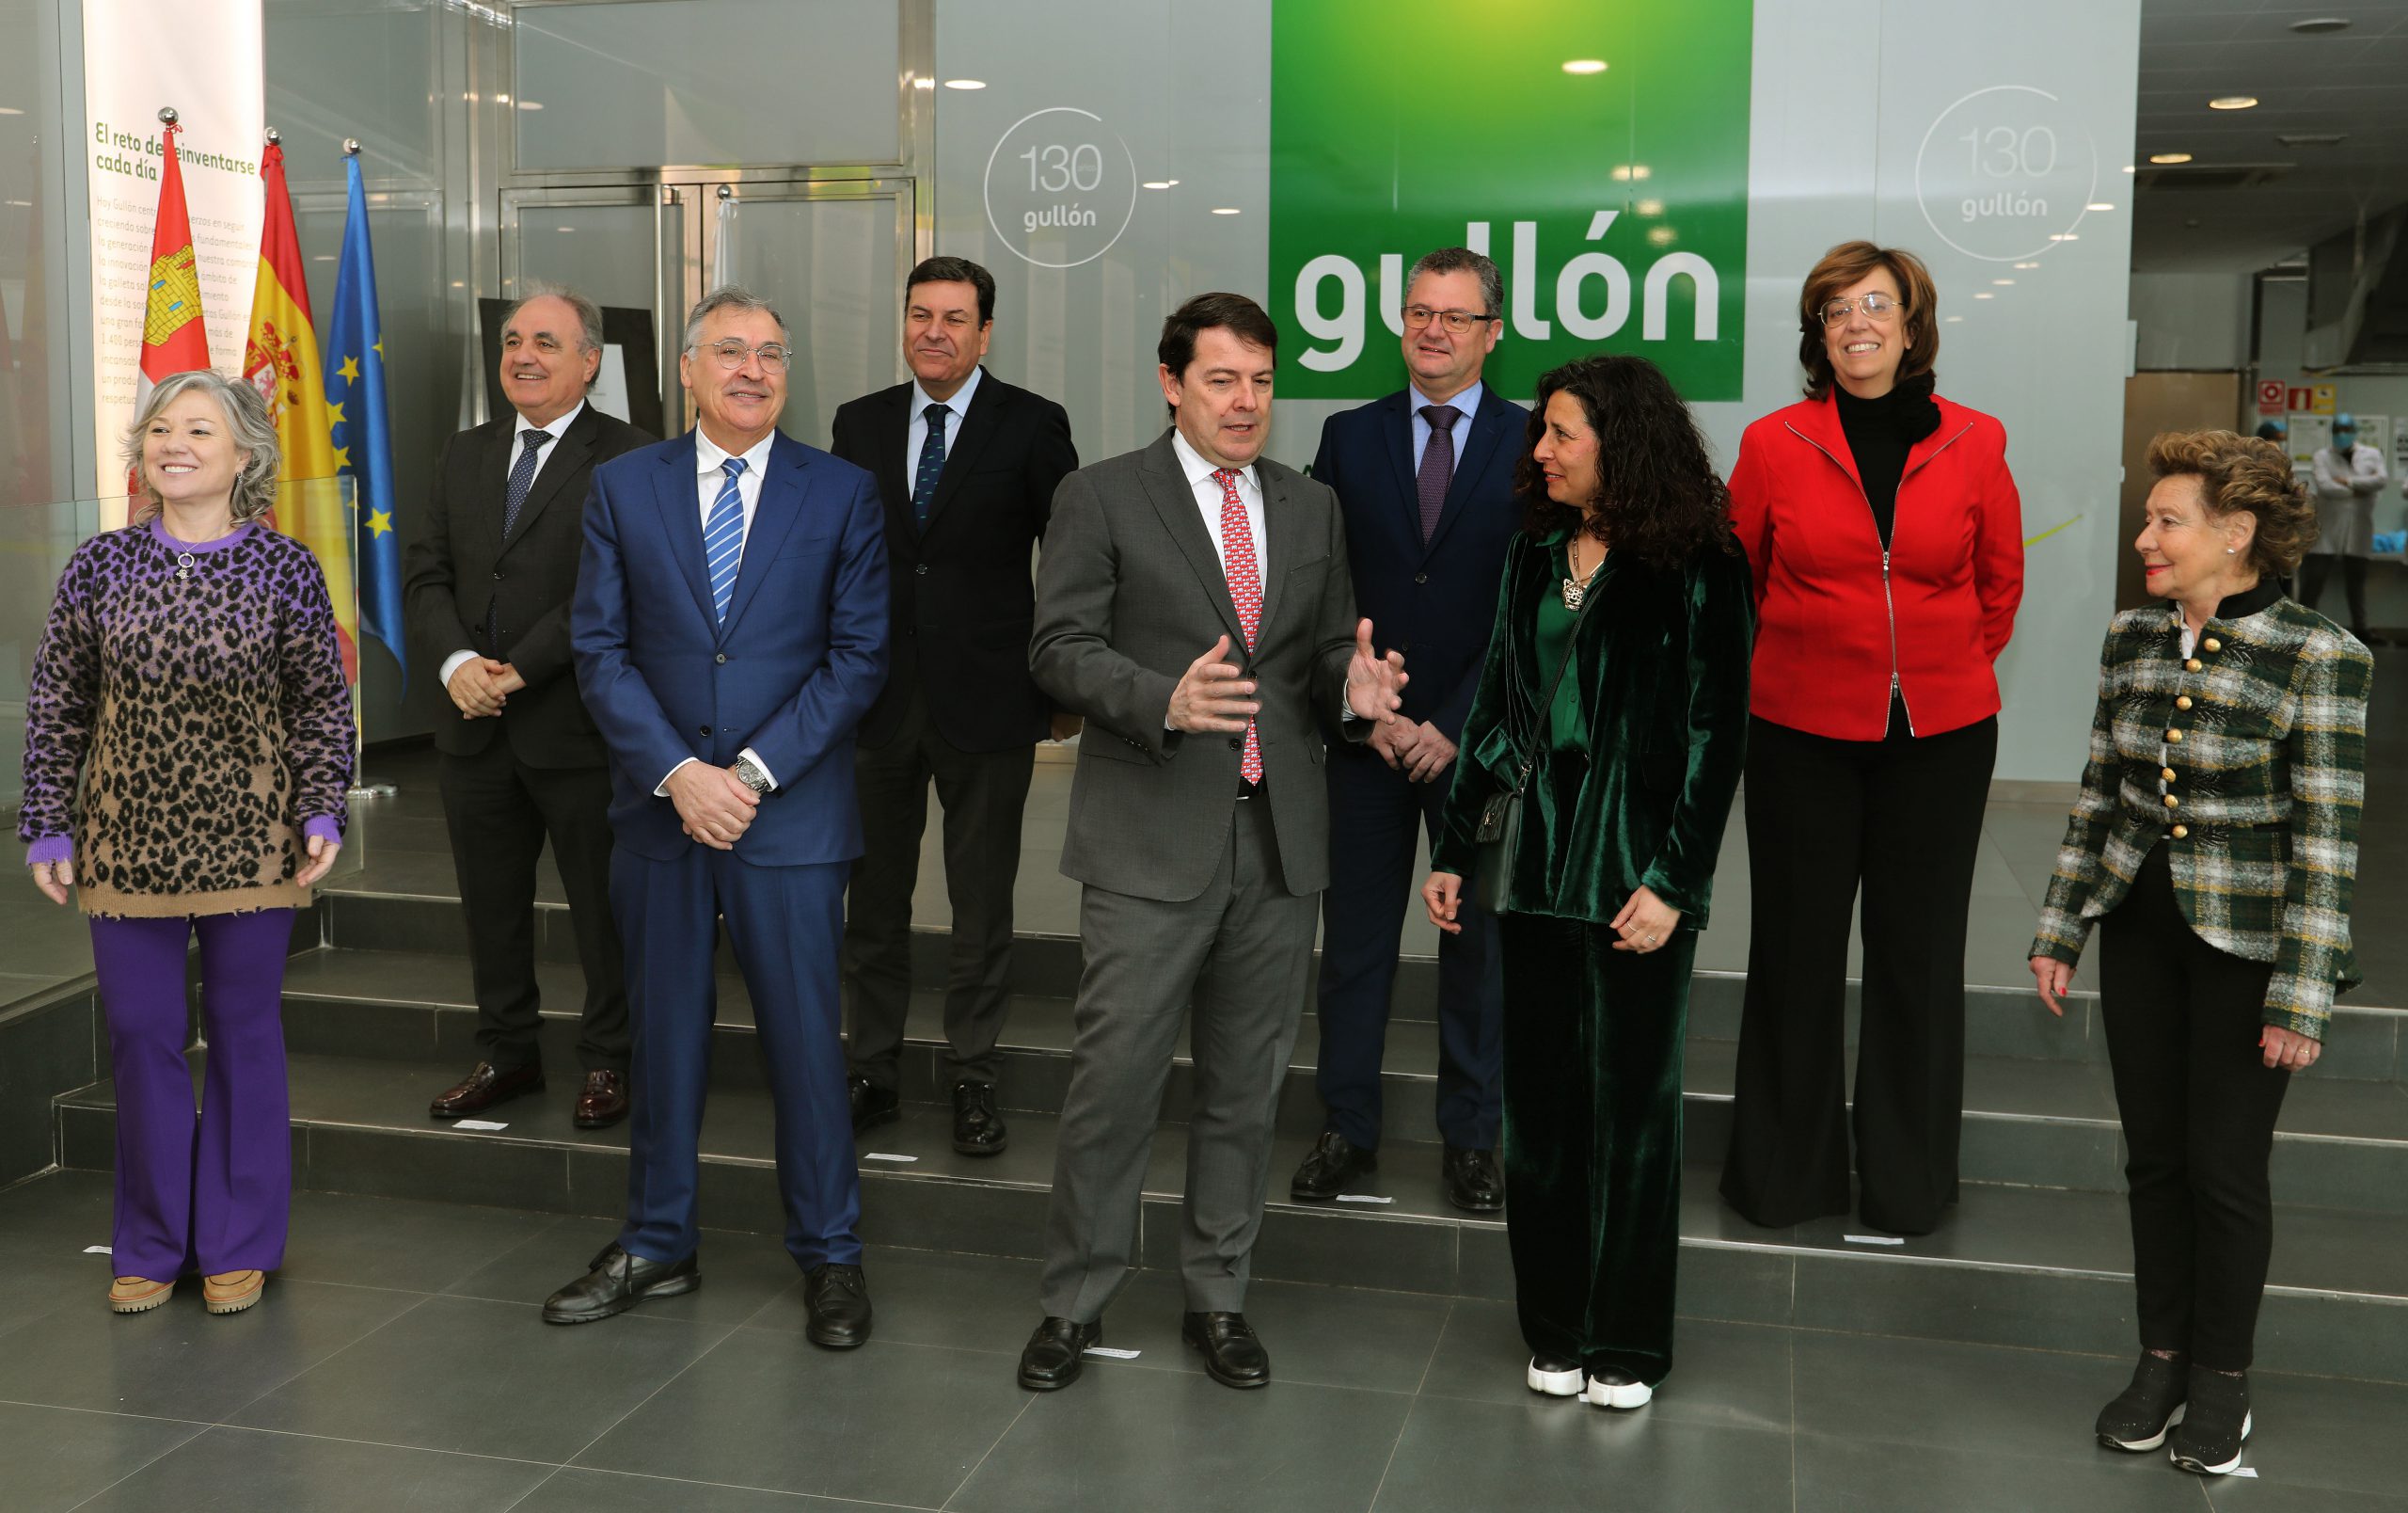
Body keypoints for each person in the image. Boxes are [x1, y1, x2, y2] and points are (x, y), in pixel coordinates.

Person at [1014, 293, 1406, 1393]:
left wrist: (1353, 687)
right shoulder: (1099, 495)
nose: (1246, 402)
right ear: (1171, 381)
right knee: (1114, 1083)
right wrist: (1157, 699)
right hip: (1147, 837)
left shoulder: (1311, 505)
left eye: (1263, 381)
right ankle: (1076, 1302)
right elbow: (1056, 645)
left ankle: (1218, 1297)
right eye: (1223, 379)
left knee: (1244, 1088)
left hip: (1279, 842)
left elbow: (1323, 653)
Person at [547, 287, 889, 1348]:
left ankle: (830, 1256)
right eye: (730, 351)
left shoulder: (842, 494)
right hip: (661, 819)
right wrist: (677, 776)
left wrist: (744, 774)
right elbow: (597, 649)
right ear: (686, 369)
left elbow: (858, 657)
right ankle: (658, 1241)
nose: (752, 370)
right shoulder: (620, 487)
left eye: (772, 355)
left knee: (803, 1049)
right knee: (663, 1042)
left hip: (786, 821)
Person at [2032, 429, 2369, 1478]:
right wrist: (2062, 926)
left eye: (2164, 521)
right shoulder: (2133, 636)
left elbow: (2326, 838)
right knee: (2154, 1161)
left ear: (2237, 534)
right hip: (2141, 928)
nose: (2145, 538)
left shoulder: (2320, 655)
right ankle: (2161, 1360)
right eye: (2147, 519)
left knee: (2224, 1172)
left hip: (2248, 948)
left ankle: (2223, 1381)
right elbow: (2101, 793)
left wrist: (2301, 993)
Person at [1421, 354, 1751, 1410]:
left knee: (1635, 1124)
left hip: (1634, 882)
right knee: (1545, 1122)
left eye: (1562, 432)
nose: (1541, 450)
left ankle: (1628, 1342)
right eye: (1543, 433)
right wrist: (1454, 846)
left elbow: (1716, 736)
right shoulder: (1532, 559)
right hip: (1529, 875)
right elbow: (1494, 718)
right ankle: (1554, 1327)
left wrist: (1673, 884)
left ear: (1622, 440)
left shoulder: (1700, 564)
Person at [20, 370, 352, 1316]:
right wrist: (46, 815)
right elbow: (56, 703)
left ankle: (238, 1241)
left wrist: (322, 806)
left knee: (245, 1037)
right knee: (142, 1038)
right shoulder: (98, 566)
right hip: (125, 844)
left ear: (243, 453)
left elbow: (321, 704)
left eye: (198, 430)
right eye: (160, 428)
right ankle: (153, 1242)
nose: (173, 443)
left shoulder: (286, 568)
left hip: (255, 842)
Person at [1719, 240, 2024, 1237]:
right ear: (1816, 332)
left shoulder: (1977, 440)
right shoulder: (1773, 443)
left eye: (1875, 305)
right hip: (1800, 733)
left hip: (1938, 737)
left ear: (1911, 323)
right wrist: (1818, 660)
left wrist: (1935, 670)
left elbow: (1997, 586)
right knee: (1796, 953)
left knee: (1918, 957)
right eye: (1836, 309)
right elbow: (1741, 582)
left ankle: (1906, 1184)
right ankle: (1780, 1180)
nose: (1856, 324)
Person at [831, 256, 1079, 1157]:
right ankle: (873, 1071)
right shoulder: (858, 423)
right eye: (919, 314)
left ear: (984, 332)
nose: (934, 331)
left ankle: (975, 1076)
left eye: (954, 318)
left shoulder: (1032, 423)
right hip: (877, 704)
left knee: (981, 908)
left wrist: (1063, 688)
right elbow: (840, 559)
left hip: (991, 702)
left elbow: (1074, 559)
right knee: (874, 905)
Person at [1293, 247, 1523, 1215]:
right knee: (1352, 944)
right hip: (1365, 744)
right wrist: (1368, 704)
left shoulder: (1533, 444)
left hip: (1476, 746)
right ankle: (1345, 1127)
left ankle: (1472, 1138)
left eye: (1455, 317)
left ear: (1491, 333)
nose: (1433, 330)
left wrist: (1453, 725)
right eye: (1418, 312)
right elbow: (1316, 586)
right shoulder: (1348, 438)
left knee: (1476, 946)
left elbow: (1532, 606)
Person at [404, 284, 654, 1131]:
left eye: (548, 342)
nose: (524, 354)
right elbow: (425, 571)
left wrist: (518, 670)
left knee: (602, 909)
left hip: (576, 726)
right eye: (514, 339)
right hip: (470, 726)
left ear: (590, 362)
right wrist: (458, 663)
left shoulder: (632, 457)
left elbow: (611, 591)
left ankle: (609, 1061)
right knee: (491, 906)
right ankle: (506, 1053)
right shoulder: (464, 452)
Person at [2301, 413, 2384, 644]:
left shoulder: (2372, 454)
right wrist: (2360, 489)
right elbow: (2326, 487)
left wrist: (2346, 482)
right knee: (2314, 581)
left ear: (2355, 431)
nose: (2342, 434)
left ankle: (2362, 628)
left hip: (2358, 528)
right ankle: (2302, 627)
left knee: (2356, 584)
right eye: (2338, 429)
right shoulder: (2321, 456)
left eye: (2346, 429)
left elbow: (2381, 481)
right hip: (2327, 529)